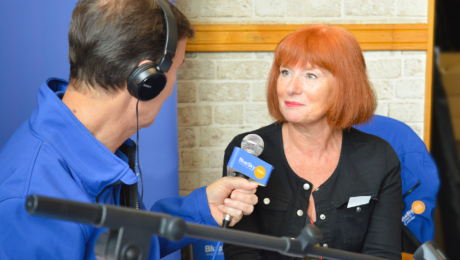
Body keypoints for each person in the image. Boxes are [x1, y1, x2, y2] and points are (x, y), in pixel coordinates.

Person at [0, 0, 258, 259]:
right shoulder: (32, 204)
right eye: (177, 69)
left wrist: (201, 209)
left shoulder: (97, 150)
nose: (174, 83)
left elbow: (119, 245)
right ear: (146, 80)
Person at [223, 24, 403, 260]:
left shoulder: (379, 157)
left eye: (310, 75)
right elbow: (241, 251)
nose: (291, 88)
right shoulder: (250, 150)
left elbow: (382, 254)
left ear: (344, 86)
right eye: (286, 72)